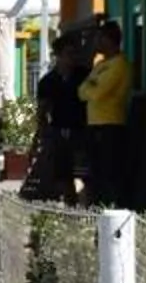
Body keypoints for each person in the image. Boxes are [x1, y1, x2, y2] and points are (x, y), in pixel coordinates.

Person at [77, 21, 135, 206]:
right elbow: (82, 91)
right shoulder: (101, 64)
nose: (96, 43)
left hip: (111, 125)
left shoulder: (119, 65)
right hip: (94, 124)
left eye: (100, 38)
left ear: (109, 40)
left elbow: (97, 93)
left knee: (109, 173)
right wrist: (91, 85)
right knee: (95, 172)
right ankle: (99, 208)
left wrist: (91, 85)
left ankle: (112, 208)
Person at [23, 34, 86, 200]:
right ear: (58, 56)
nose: (72, 58)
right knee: (63, 176)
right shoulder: (48, 82)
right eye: (68, 54)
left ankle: (86, 209)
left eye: (75, 54)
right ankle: (69, 209)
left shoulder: (84, 75)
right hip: (59, 131)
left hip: (83, 131)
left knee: (85, 174)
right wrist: (42, 136)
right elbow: (42, 111)